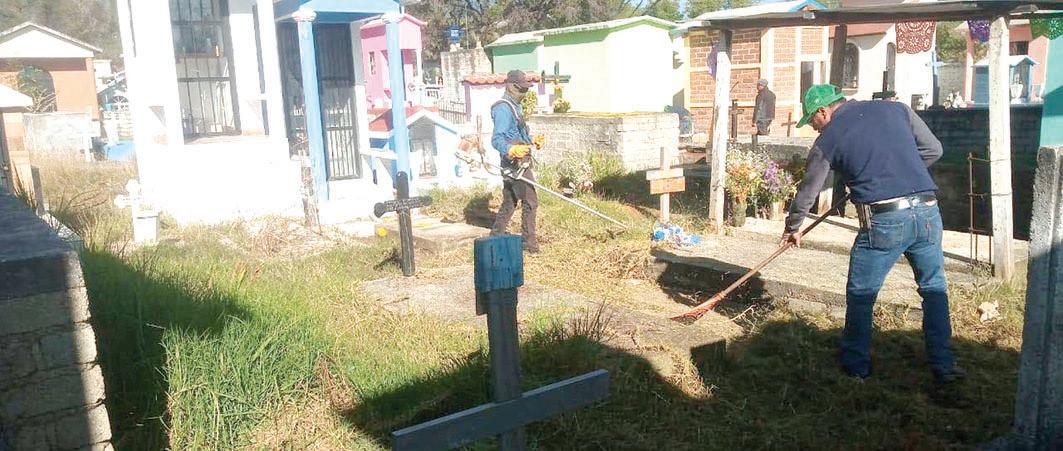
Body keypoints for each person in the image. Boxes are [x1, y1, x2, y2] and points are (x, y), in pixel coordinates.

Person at [782, 84, 966, 384]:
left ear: (823, 111)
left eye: (812, 121)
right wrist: (893, 175)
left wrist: (793, 227)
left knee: (861, 294)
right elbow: (934, 150)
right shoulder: (897, 109)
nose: (813, 128)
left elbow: (808, 190)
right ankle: (944, 364)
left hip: (885, 220)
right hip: (928, 211)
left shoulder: (828, 138)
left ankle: (856, 367)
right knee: (933, 288)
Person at [490, 70, 544, 253]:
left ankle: (496, 235)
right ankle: (529, 244)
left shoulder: (515, 106)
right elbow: (497, 139)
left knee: (510, 201)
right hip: (514, 164)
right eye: (522, 89)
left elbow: (518, 133)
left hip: (521, 161)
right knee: (531, 201)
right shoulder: (503, 108)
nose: (524, 92)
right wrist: (511, 150)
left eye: (526, 89)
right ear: (512, 87)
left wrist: (532, 140)